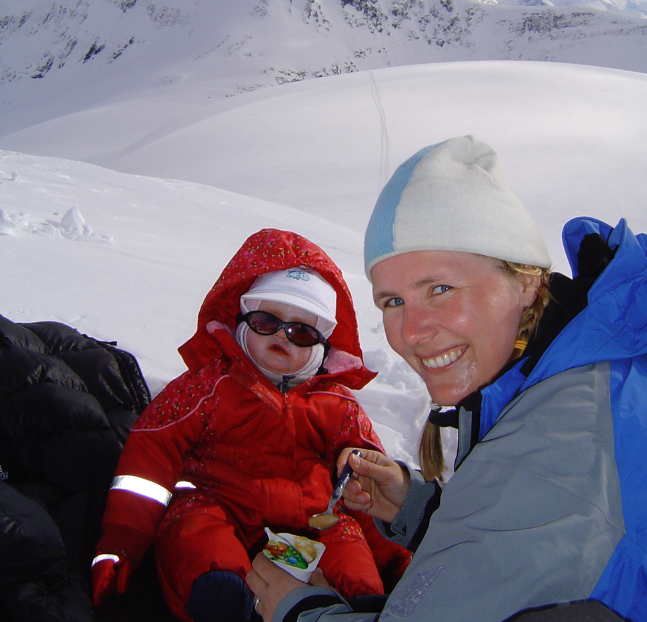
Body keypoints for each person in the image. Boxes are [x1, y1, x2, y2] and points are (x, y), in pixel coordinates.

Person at [247, 136, 642, 622]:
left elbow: (550, 496)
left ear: (525, 280)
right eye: (393, 301)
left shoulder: (563, 440)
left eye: (440, 288)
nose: (411, 332)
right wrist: (426, 511)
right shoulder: (577, 371)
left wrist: (298, 611)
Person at [90, 228, 410, 622]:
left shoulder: (337, 404)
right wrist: (122, 545)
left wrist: (397, 558)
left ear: (322, 344)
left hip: (312, 523)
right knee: (192, 529)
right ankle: (222, 600)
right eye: (265, 321)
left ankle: (364, 606)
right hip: (221, 507)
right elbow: (148, 463)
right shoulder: (207, 387)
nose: (281, 336)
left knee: (348, 543)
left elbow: (372, 489)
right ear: (242, 319)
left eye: (301, 331)